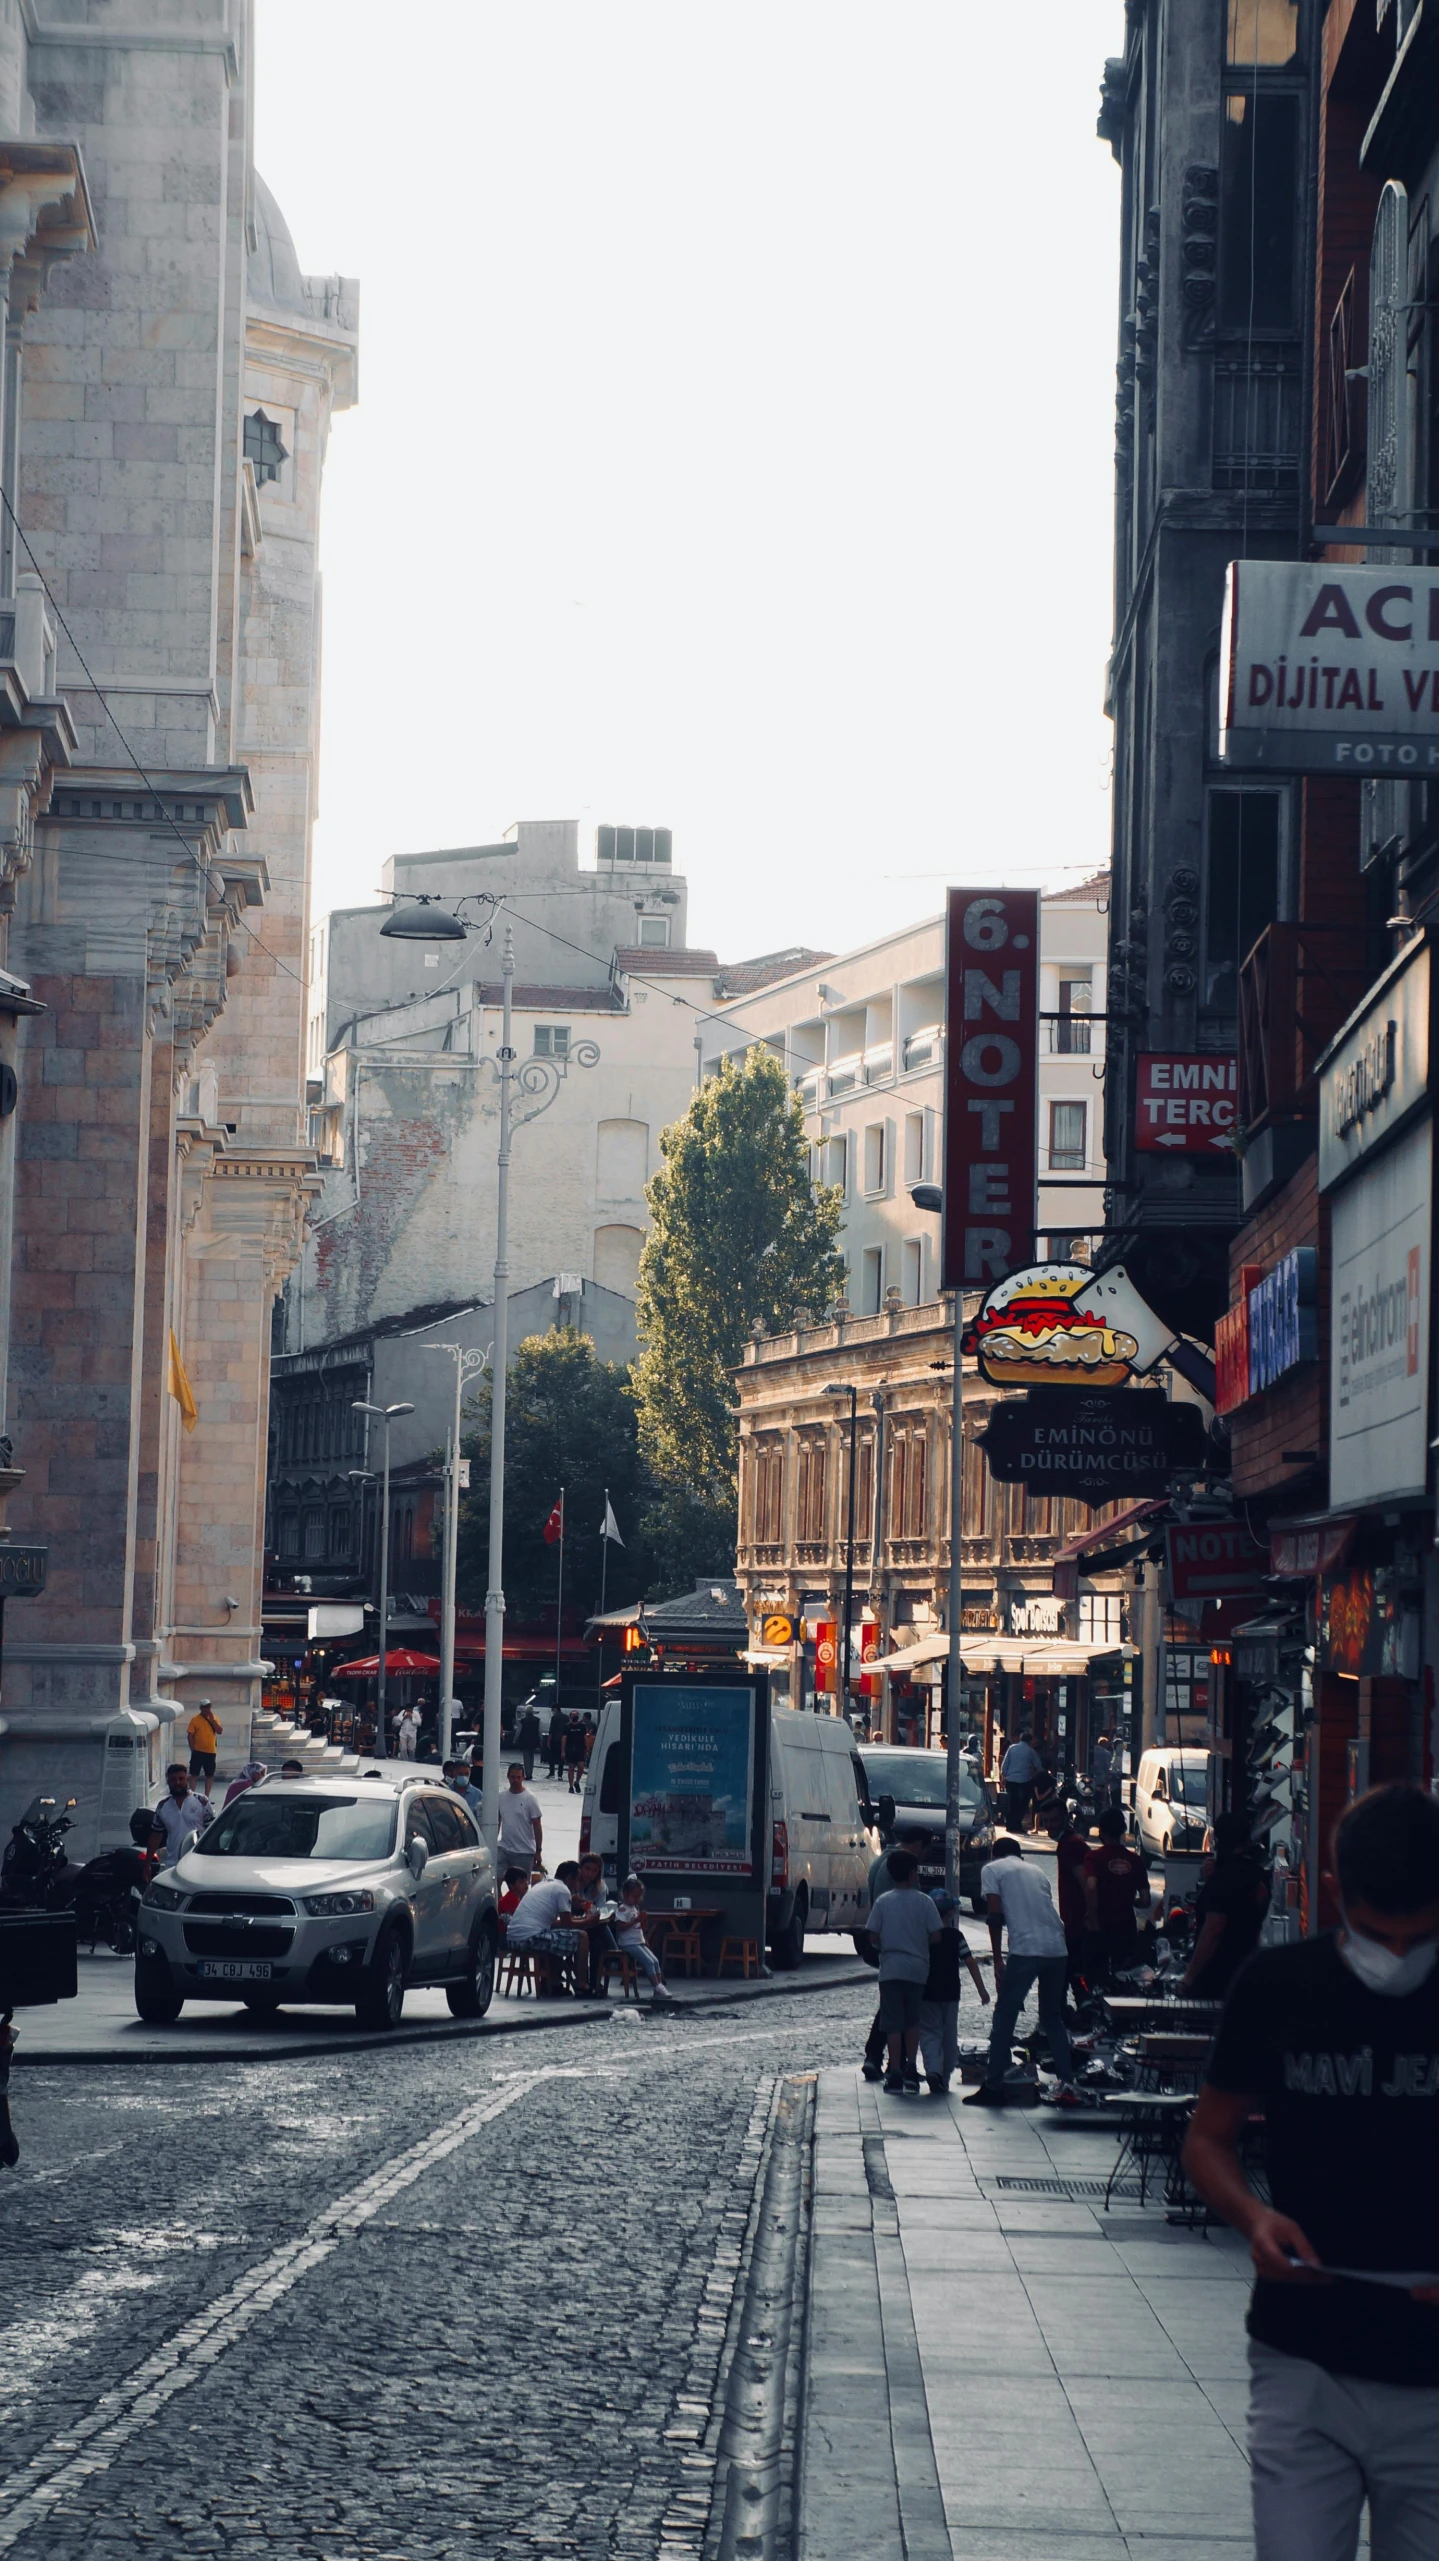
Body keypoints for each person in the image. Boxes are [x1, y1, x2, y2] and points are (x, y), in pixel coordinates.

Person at [1183, 1785, 1439, 2561]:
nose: (1395, 1956)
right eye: (1373, 1933)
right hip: (1302, 2357)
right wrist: (1253, 2217)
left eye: (1418, 1937)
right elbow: (1207, 2138)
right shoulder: (1277, 1985)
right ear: (1331, 1892)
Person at [966, 1836, 1082, 2109]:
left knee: (1004, 2016)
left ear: (995, 1854)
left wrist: (997, 1960)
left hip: (1026, 1949)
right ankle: (1067, 2081)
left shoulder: (992, 1869)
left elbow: (994, 1915)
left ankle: (993, 2086)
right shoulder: (1037, 1871)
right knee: (1052, 2018)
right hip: (1057, 1948)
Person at [866, 1849, 942, 2094]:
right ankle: (911, 2067)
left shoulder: (883, 1901)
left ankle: (895, 2070)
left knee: (892, 2023)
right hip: (918, 1969)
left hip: (890, 1969)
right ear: (912, 1874)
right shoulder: (925, 1902)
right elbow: (936, 1935)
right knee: (912, 2020)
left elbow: (873, 1935)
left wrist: (886, 1944)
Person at [1179, 1812, 1270, 2000]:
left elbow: (1214, 1929)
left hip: (1217, 1978)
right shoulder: (1259, 1875)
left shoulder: (1223, 1879)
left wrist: (1189, 1977)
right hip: (1246, 1972)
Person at [919, 1888, 990, 2094]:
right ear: (950, 1913)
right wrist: (982, 1991)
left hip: (927, 1992)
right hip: (950, 1992)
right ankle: (946, 2073)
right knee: (949, 2035)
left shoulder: (925, 1937)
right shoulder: (955, 1936)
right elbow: (970, 1962)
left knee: (930, 2032)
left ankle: (933, 2070)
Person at [1082, 1806, 1153, 1975]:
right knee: (1123, 1976)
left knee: (1096, 1977)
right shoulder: (1135, 1860)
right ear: (1123, 1830)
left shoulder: (1094, 1857)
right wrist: (1128, 1900)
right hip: (1126, 1927)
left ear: (1101, 1830)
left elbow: (1091, 1886)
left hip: (1100, 1926)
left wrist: (1092, 1918)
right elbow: (1145, 1900)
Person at [506, 1860, 584, 1989]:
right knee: (582, 1936)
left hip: (513, 1938)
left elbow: (552, 1923)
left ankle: (552, 1982)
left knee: (555, 1938)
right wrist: (590, 1920)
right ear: (570, 1878)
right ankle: (582, 1984)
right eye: (578, 1879)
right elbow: (567, 1923)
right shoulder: (563, 1890)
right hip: (530, 1939)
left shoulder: (542, 1885)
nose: (578, 1884)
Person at [612, 1876, 675, 2006]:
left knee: (655, 1961)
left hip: (638, 1941)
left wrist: (644, 1934)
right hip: (628, 1943)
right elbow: (620, 1927)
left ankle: (658, 1988)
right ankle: (657, 1986)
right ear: (625, 1895)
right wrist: (636, 1920)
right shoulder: (623, 1909)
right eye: (634, 1897)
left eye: (639, 1897)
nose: (637, 1900)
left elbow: (639, 1928)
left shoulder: (635, 1908)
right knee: (648, 1962)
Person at [1049, 1800, 1090, 1986]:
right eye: (1045, 1822)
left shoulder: (1070, 1845)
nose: (1049, 1826)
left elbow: (1085, 1883)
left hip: (1079, 1924)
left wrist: (1091, 1915)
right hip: (1075, 1923)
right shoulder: (1069, 1843)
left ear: (1066, 1819)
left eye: (1054, 1821)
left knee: (1074, 1977)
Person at [148, 1764, 215, 1869]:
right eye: (173, 1780)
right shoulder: (162, 1807)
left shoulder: (202, 1802)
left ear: (187, 1779)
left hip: (198, 1863)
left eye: (181, 1779)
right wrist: (147, 1864)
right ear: (168, 1782)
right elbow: (155, 1835)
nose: (178, 1783)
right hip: (172, 1865)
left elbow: (212, 1834)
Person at [496, 1763, 543, 1880]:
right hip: (504, 1848)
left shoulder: (530, 1798)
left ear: (523, 1777)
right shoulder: (501, 1797)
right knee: (496, 1880)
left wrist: (538, 1850)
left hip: (524, 1851)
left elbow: (537, 1825)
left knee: (521, 1886)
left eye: (518, 1777)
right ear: (508, 1776)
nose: (515, 1780)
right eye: (512, 1777)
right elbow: (497, 1822)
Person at [1000, 1732, 1042, 1833]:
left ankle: (1009, 1824)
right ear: (1029, 1741)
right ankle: (1017, 1825)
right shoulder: (1031, 1751)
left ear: (1020, 1739)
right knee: (1022, 1804)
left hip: (1011, 1780)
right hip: (1024, 1781)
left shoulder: (1012, 1748)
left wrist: (1003, 1777)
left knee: (1011, 1803)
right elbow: (1039, 1766)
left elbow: (1004, 1765)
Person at [186, 1699, 223, 1797]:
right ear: (201, 1708)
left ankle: (206, 1797)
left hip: (210, 1751)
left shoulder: (214, 1718)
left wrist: (212, 1721)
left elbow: (219, 1731)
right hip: (198, 1751)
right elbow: (190, 1735)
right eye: (205, 1707)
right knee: (194, 1774)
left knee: (209, 1775)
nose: (207, 1709)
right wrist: (192, 1748)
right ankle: (191, 1795)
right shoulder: (195, 1720)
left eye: (208, 1706)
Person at [1090, 1732, 1117, 1812]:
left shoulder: (1091, 1750)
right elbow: (1107, 1768)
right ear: (1105, 1744)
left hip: (1091, 1778)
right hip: (1101, 1779)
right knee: (1102, 1798)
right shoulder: (1107, 1754)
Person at [563, 1714, 587, 1794]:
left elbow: (585, 1737)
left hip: (580, 1749)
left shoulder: (582, 1726)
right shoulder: (567, 1726)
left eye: (576, 1715)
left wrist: (587, 1749)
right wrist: (563, 1751)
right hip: (570, 1750)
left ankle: (577, 1782)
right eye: (573, 1715)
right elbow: (564, 1738)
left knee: (581, 1767)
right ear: (570, 1717)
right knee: (571, 1768)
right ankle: (570, 1786)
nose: (574, 1716)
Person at [517, 1701, 541, 1781]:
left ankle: (528, 1774)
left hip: (525, 1741)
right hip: (534, 1741)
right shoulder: (537, 1720)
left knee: (526, 1758)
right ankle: (530, 1773)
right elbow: (539, 1731)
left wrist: (515, 1739)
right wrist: (541, 1740)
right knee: (532, 1758)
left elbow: (519, 1731)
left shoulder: (523, 1720)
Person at [546, 1704, 566, 1779]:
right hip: (564, 1740)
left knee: (552, 1757)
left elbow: (551, 1730)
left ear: (555, 1709)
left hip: (555, 1739)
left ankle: (552, 1773)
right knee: (562, 1757)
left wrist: (548, 1740)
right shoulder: (566, 1717)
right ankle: (560, 1775)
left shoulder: (554, 1718)